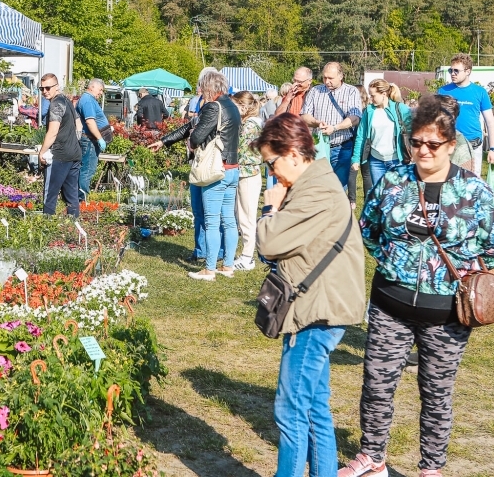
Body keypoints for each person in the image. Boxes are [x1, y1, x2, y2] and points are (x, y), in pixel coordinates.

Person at [345, 94, 494, 477]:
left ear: (451, 145)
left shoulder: (474, 191)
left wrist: (457, 272)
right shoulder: (393, 181)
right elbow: (368, 229)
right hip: (389, 305)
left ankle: (431, 469)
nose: (423, 150)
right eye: (416, 142)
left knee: (436, 394)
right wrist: (394, 262)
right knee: (377, 385)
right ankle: (372, 458)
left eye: (433, 144)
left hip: (447, 314)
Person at [253, 112, 366, 477]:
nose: (272, 173)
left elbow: (268, 243)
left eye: (272, 163)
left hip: (315, 312)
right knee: (315, 408)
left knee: (290, 410)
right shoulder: (315, 184)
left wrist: (271, 207)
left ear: (293, 153)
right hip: (322, 307)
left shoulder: (315, 192)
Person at [149, 70, 239, 280]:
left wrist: (192, 141)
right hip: (232, 169)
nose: (200, 92)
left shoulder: (213, 107)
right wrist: (164, 141)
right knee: (228, 220)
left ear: (208, 87)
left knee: (211, 221)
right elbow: (190, 125)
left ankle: (209, 269)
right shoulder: (232, 106)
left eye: (201, 87)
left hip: (215, 171)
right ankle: (228, 265)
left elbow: (196, 136)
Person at [301, 62, 363, 189]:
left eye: (330, 78)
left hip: (342, 147)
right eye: (324, 77)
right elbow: (304, 116)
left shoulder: (351, 91)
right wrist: (316, 122)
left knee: (338, 188)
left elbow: (355, 118)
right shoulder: (315, 91)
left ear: (341, 76)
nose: (327, 81)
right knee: (318, 187)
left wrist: (335, 128)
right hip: (318, 146)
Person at [437, 53, 494, 175]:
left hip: (473, 144)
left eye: (456, 71)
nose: (452, 73)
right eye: (450, 70)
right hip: (448, 143)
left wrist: (493, 149)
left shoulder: (480, 92)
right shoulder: (443, 91)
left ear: (468, 71)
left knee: (471, 180)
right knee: (448, 179)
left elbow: (490, 122)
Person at [351, 79, 412, 190]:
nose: (370, 98)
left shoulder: (400, 109)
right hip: (376, 161)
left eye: (373, 95)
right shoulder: (369, 111)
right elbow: (361, 136)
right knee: (379, 194)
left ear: (384, 94)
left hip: (396, 161)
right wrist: (356, 159)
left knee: (395, 194)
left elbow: (413, 131)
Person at [38, 73, 82, 217]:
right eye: (42, 88)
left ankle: (46, 226)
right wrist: (73, 142)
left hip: (59, 155)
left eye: (48, 88)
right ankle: (73, 225)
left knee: (50, 194)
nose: (45, 91)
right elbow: (79, 125)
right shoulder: (67, 100)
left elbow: (52, 132)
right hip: (74, 154)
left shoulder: (56, 104)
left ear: (56, 87)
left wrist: (42, 153)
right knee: (72, 195)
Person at [231, 91, 263, 271]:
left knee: (247, 217)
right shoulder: (249, 123)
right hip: (244, 172)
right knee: (242, 214)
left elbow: (239, 148)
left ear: (243, 106)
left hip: (248, 173)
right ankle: (245, 253)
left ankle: (247, 257)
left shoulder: (251, 125)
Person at [75, 78, 111, 202]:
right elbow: (90, 121)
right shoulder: (87, 100)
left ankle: (80, 198)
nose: (101, 93)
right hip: (89, 140)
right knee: (87, 170)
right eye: (100, 90)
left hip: (90, 140)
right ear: (92, 87)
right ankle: (81, 200)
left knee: (86, 169)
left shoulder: (89, 99)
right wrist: (100, 138)